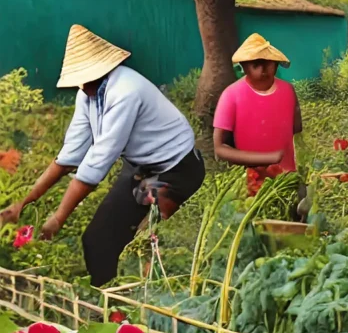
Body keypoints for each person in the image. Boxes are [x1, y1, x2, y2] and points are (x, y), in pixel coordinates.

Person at [0, 25, 204, 286]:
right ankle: (105, 304)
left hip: (177, 170)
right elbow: (69, 157)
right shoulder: (87, 95)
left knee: (148, 243)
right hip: (141, 167)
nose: (82, 85)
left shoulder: (125, 92)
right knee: (97, 239)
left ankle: (140, 299)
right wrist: (22, 202)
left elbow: (96, 164)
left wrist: (58, 218)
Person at [212, 34, 305, 210]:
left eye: (268, 64)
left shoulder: (287, 91)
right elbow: (220, 148)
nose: (263, 71)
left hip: (285, 180)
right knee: (252, 225)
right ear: (244, 67)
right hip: (248, 182)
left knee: (288, 224)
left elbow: (296, 129)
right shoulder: (231, 95)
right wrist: (267, 158)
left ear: (276, 65)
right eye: (255, 65)